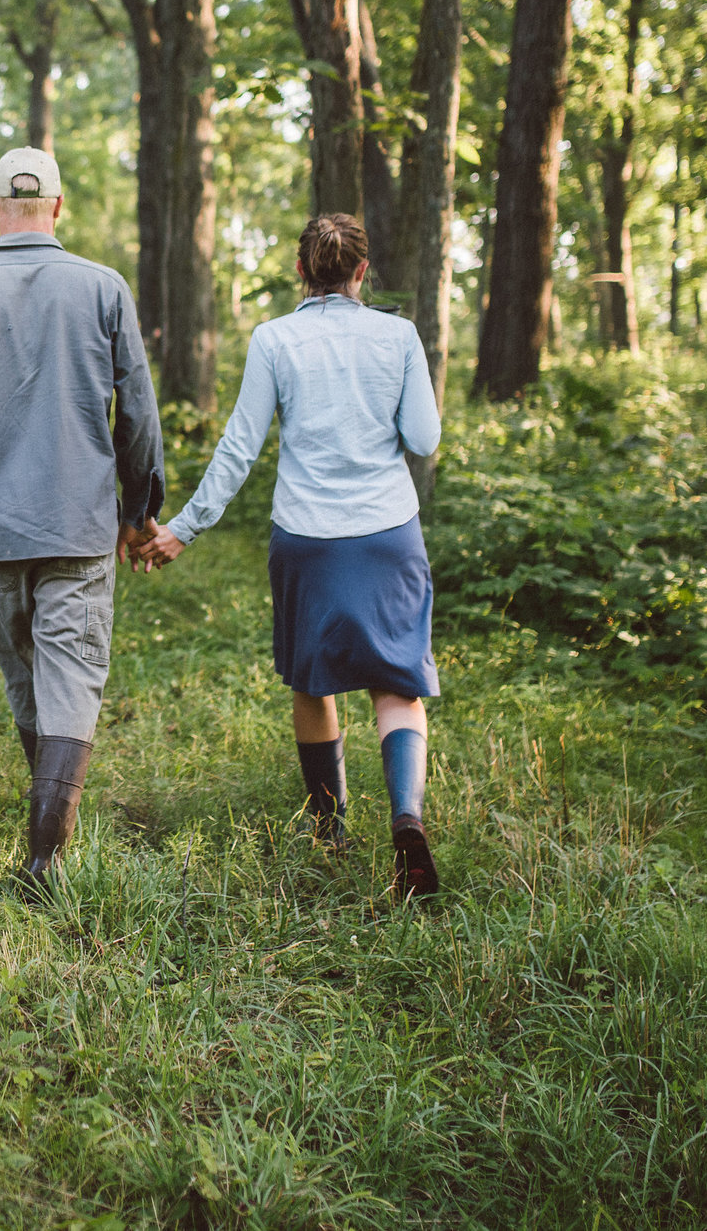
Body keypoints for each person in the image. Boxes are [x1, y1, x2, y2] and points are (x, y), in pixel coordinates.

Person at [127, 213, 445, 899]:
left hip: (308, 537)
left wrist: (182, 527)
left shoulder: (275, 338)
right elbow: (422, 436)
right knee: (398, 685)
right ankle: (407, 817)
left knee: (315, 680)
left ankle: (330, 827)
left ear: (302, 271)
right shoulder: (399, 335)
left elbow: (240, 446)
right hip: (390, 532)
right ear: (363, 272)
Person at [0, 145, 164, 893]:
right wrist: (137, 507)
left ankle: (46, 834)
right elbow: (138, 414)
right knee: (70, 682)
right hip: (78, 523)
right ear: (58, 206)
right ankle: (46, 859)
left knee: (28, 681)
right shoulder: (103, 288)